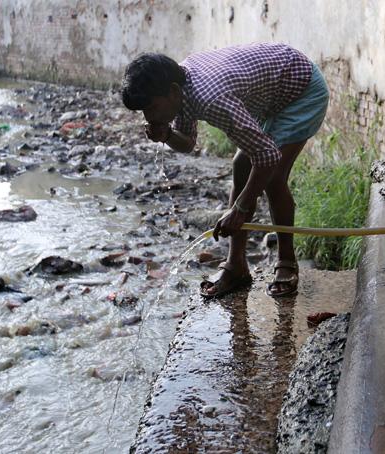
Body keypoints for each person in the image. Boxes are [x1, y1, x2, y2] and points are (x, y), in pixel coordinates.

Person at [121, 42, 329, 298]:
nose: (147, 116)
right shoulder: (179, 87)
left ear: (173, 92)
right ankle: (237, 264)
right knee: (241, 165)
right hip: (273, 93)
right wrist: (166, 134)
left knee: (273, 178)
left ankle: (286, 260)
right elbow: (186, 142)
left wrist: (240, 209)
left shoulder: (211, 99)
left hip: (301, 90)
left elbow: (267, 155)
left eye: (150, 107)